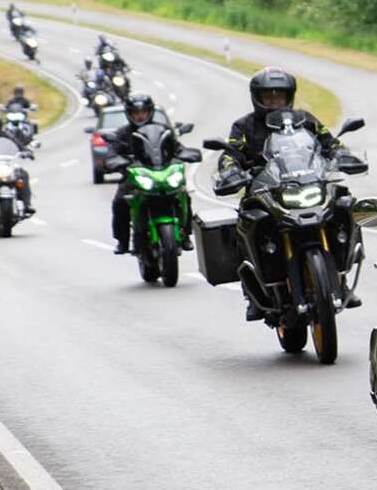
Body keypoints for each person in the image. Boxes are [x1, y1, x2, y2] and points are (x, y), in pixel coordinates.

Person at [215, 68, 340, 318]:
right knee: (247, 223)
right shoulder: (243, 126)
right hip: (264, 191)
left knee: (342, 205)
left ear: (289, 97)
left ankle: (339, 278)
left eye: (279, 97)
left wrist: (342, 155)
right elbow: (230, 154)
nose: (274, 102)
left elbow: (331, 143)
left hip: (305, 184)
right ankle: (253, 294)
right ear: (256, 97)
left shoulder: (306, 120)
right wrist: (231, 171)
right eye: (268, 97)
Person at [104, 93, 194, 254]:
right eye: (135, 113)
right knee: (119, 202)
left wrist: (187, 154)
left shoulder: (164, 130)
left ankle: (186, 234)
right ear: (129, 114)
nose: (140, 116)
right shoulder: (123, 133)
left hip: (162, 173)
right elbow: (112, 153)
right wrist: (115, 161)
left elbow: (177, 148)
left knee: (184, 195)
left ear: (150, 112)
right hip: (135, 177)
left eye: (143, 112)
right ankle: (122, 240)